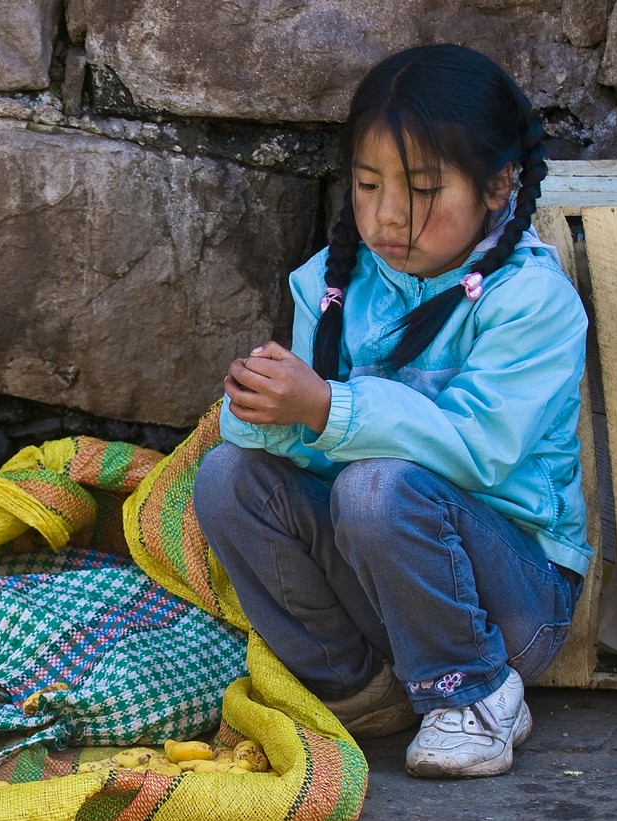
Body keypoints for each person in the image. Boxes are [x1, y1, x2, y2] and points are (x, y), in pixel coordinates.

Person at [192, 44, 591, 779]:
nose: (388, 215)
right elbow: (319, 449)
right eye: (369, 185)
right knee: (227, 475)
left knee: (376, 486)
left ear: (499, 184)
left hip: (515, 604)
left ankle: (473, 692)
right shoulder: (335, 286)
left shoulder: (530, 301)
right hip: (385, 595)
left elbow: (481, 450)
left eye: (423, 189)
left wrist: (329, 405)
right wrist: (267, 410)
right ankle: (358, 688)